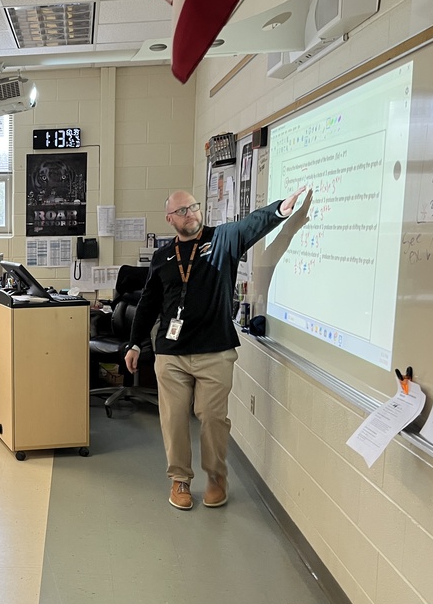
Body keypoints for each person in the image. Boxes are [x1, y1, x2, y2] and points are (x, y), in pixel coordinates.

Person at [125, 187, 312, 511]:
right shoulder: (163, 257)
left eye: (195, 207)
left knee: (212, 417)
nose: (192, 213)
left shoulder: (223, 240)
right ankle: (180, 479)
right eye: (183, 210)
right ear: (171, 219)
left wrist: (279, 210)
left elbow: (251, 225)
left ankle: (215, 478)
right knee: (173, 419)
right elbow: (149, 302)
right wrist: (134, 343)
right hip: (171, 353)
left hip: (214, 351)